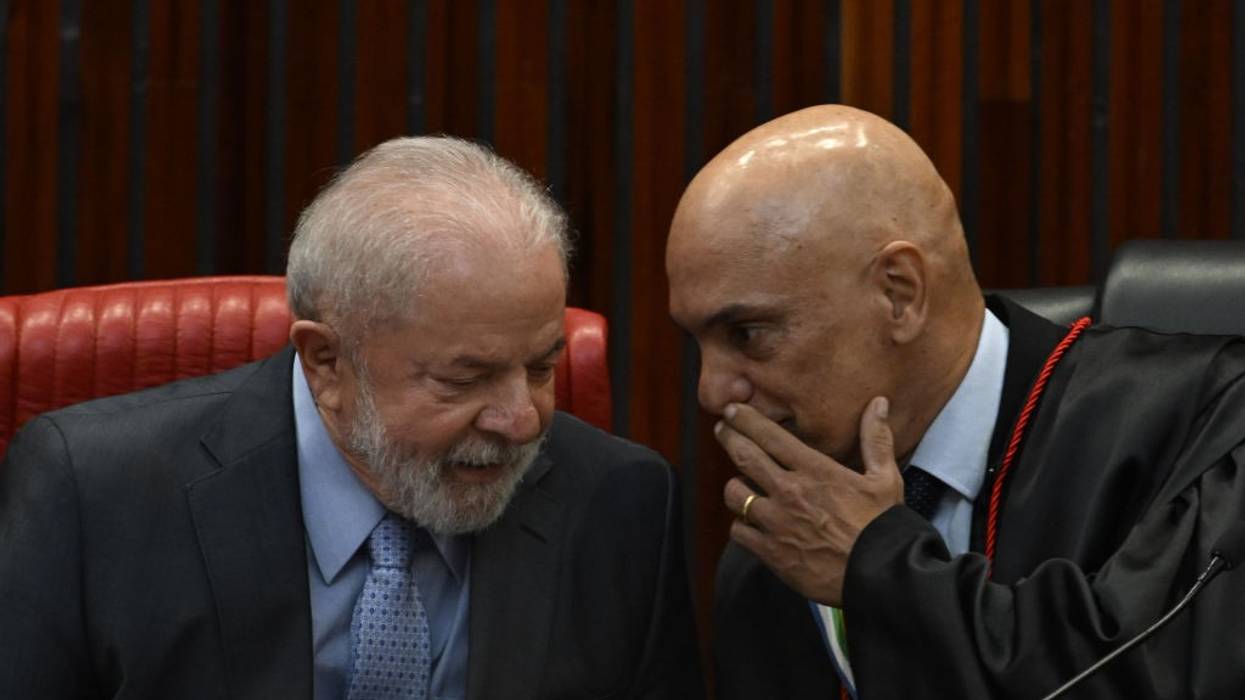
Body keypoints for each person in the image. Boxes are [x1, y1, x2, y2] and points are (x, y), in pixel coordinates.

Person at [0, 136, 703, 699]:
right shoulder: (95, 494)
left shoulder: (623, 504)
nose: (521, 420)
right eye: (466, 377)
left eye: (542, 367)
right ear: (327, 362)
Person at [666, 104, 1245, 698]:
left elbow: (1145, 676)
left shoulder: (1207, 426)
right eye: (698, 343)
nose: (711, 391)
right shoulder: (776, 554)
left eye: (748, 334)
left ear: (899, 293)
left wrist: (879, 569)